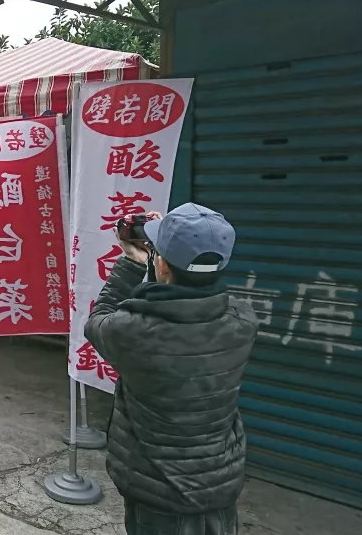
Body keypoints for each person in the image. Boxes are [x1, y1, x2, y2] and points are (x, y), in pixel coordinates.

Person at [85, 203, 258, 535]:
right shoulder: (242, 319)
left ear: (162, 264)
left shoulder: (133, 330)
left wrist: (132, 261)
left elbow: (98, 320)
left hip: (159, 493)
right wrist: (171, 248)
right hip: (219, 484)